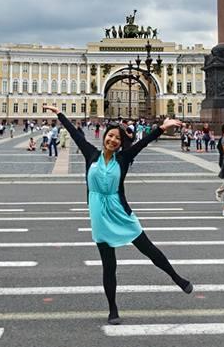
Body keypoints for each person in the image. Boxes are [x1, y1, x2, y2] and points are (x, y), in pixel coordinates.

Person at [45, 105, 192, 325]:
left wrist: (162, 127)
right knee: (109, 265)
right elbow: (75, 134)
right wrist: (59, 113)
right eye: (110, 136)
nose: (113, 140)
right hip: (99, 214)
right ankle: (113, 308)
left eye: (117, 138)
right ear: (104, 137)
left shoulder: (123, 159)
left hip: (120, 211)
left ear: (121, 143)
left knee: (148, 248)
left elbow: (143, 143)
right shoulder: (91, 155)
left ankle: (177, 278)